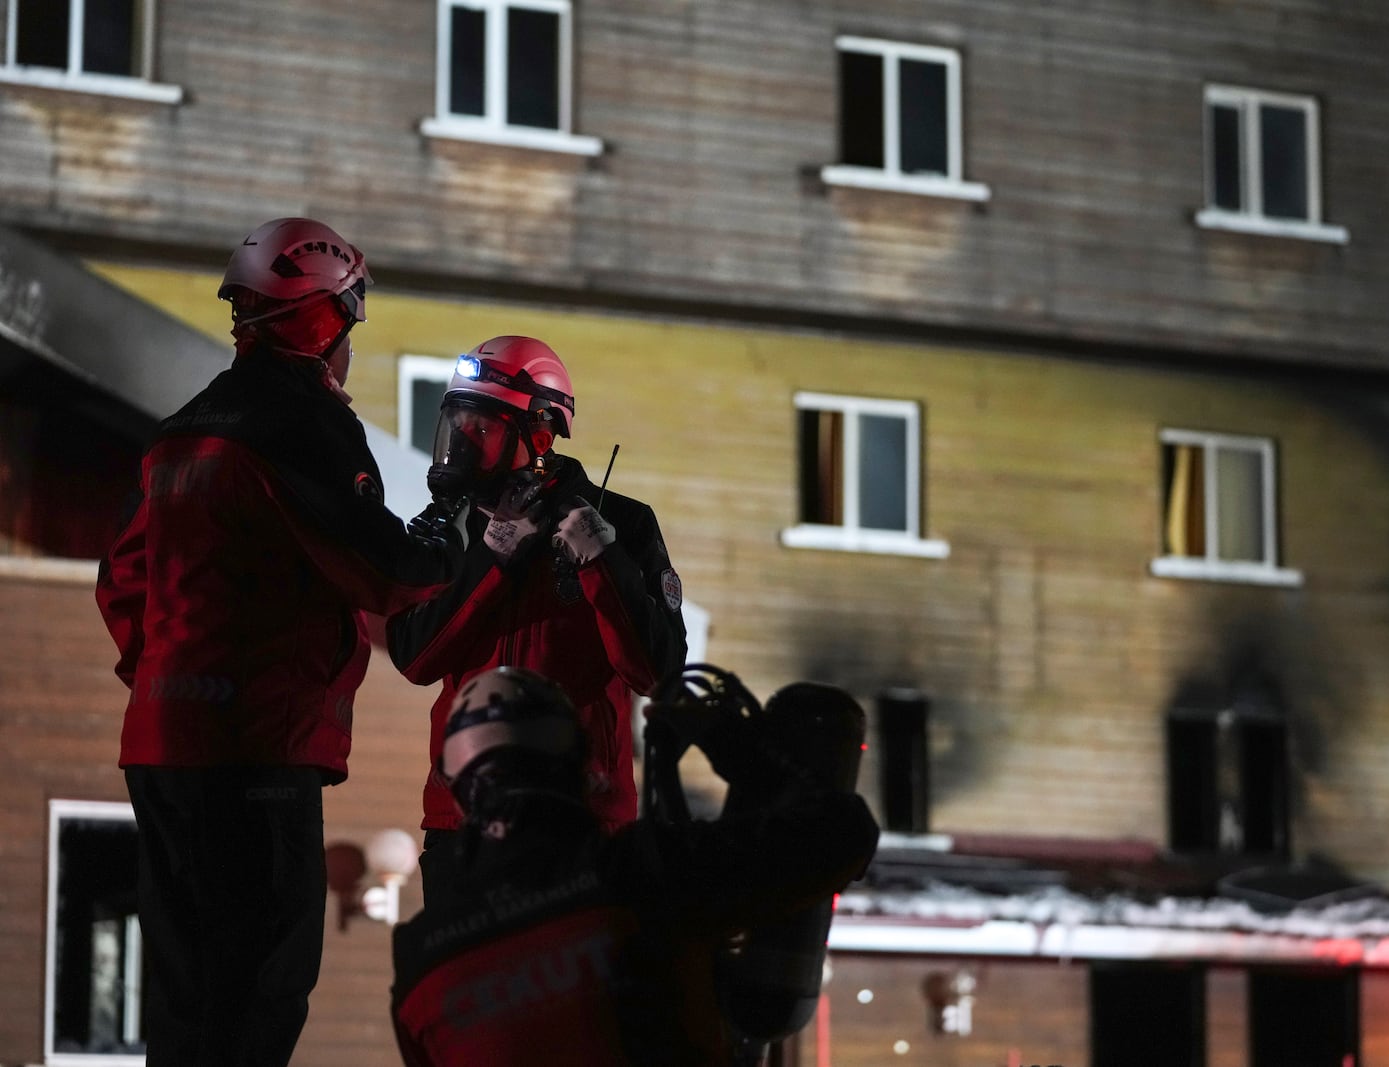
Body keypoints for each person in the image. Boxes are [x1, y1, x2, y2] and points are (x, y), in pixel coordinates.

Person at [95, 216, 472, 1067]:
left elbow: (120, 580)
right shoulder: (302, 423)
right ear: (327, 318)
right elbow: (387, 572)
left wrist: (163, 677)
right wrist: (447, 526)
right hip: (257, 747)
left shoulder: (181, 429)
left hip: (161, 748)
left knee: (187, 993)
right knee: (265, 982)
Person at [389, 665, 880, 1066]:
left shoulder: (419, 958)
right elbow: (842, 835)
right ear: (580, 769)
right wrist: (745, 756)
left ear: (456, 789)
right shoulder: (641, 872)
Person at [386, 335, 687, 900]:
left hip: (583, 822)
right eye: (457, 422)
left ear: (540, 434)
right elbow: (416, 658)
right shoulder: (448, 525)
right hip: (465, 824)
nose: (460, 443)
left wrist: (603, 561)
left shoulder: (624, 522)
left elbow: (657, 672)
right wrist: (491, 559)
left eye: (482, 428)